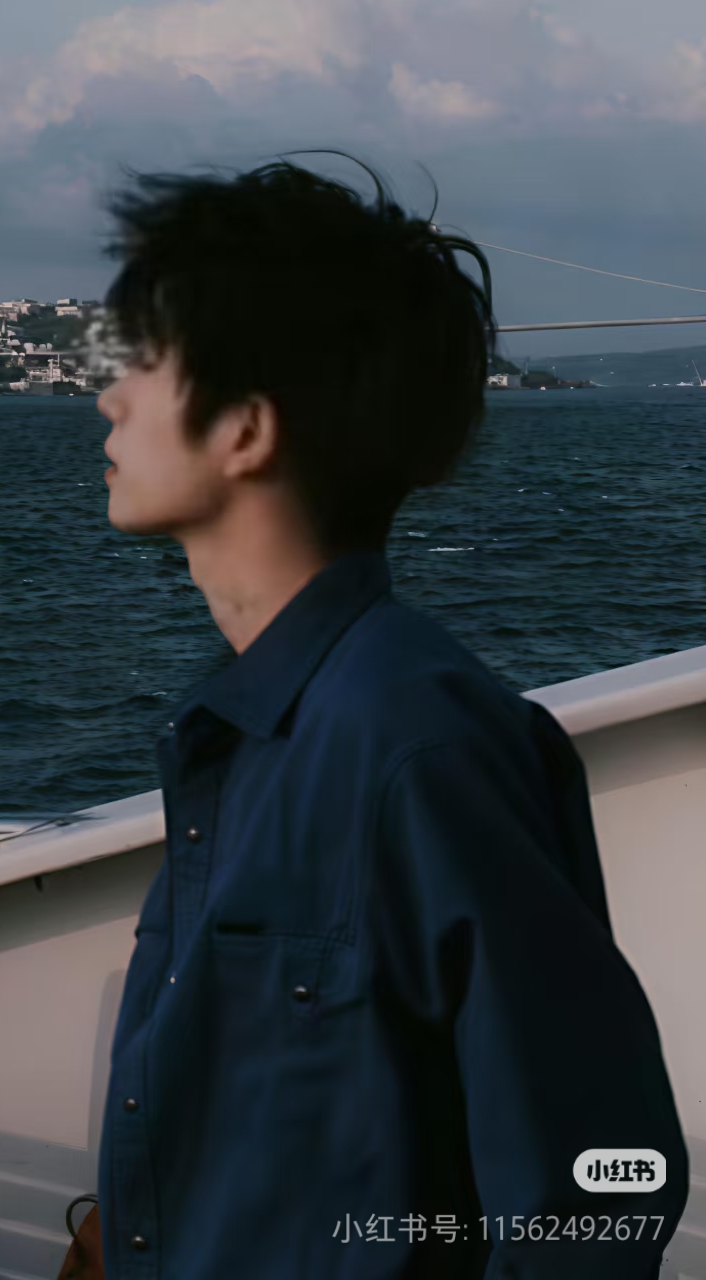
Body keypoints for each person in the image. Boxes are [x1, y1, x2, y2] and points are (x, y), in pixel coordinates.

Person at [92, 156, 688, 1279]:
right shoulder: (248, 734)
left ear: (245, 429)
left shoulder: (417, 744)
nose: (107, 397)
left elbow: (605, 1178)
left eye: (144, 362)